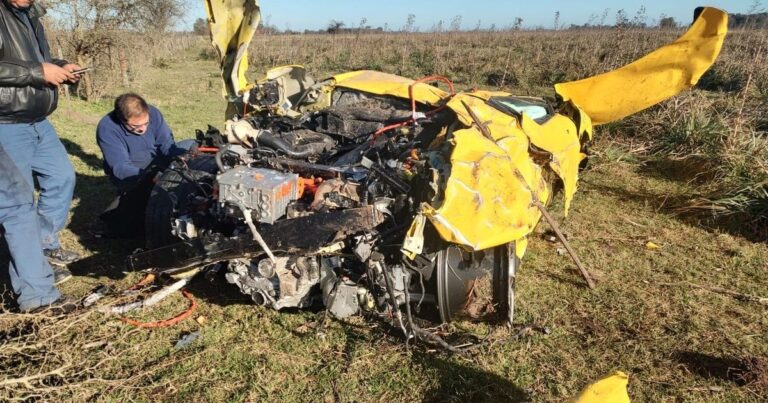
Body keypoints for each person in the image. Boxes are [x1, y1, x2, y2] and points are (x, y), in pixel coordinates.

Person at [0, 0, 82, 311]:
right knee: (17, 207)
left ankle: (42, 244)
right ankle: (38, 298)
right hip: (4, 122)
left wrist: (60, 67)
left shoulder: (30, 14)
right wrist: (38, 72)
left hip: (37, 121)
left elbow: (34, 60)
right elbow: (31, 68)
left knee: (62, 178)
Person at [95, 93, 195, 237]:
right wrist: (149, 177)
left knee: (190, 144)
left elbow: (166, 145)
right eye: (136, 126)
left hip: (158, 161)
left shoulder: (153, 113)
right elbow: (119, 167)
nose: (143, 129)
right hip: (134, 172)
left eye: (146, 123)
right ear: (121, 119)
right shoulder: (107, 128)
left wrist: (183, 155)